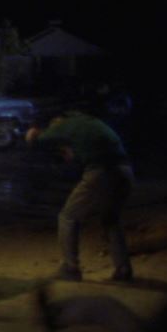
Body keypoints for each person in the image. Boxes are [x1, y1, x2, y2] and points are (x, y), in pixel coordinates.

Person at [26, 109, 134, 282]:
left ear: (58, 120)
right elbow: (87, 149)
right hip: (125, 171)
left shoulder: (64, 124)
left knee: (67, 218)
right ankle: (123, 268)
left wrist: (32, 134)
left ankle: (71, 269)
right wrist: (69, 152)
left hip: (102, 172)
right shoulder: (90, 122)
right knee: (111, 220)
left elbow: (38, 140)